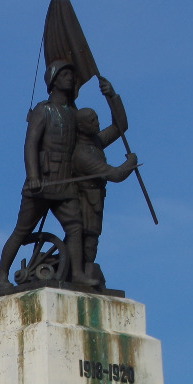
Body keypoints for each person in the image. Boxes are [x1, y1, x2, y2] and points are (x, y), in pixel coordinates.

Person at [0, 60, 86, 291]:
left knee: (75, 227)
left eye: (71, 75)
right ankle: (0, 274)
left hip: (65, 180)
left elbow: (92, 142)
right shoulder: (43, 110)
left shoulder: (73, 114)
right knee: (22, 230)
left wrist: (113, 100)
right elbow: (30, 144)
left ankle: (79, 274)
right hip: (43, 180)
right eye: (64, 75)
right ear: (53, 81)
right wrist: (32, 175)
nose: (70, 78)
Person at [71, 78, 137, 288]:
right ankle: (79, 271)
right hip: (84, 200)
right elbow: (115, 175)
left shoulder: (95, 141)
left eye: (97, 119)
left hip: (96, 198)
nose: (97, 124)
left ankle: (84, 269)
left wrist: (111, 97)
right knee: (87, 237)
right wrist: (130, 163)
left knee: (92, 238)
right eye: (92, 121)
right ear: (81, 127)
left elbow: (120, 126)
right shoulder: (82, 154)